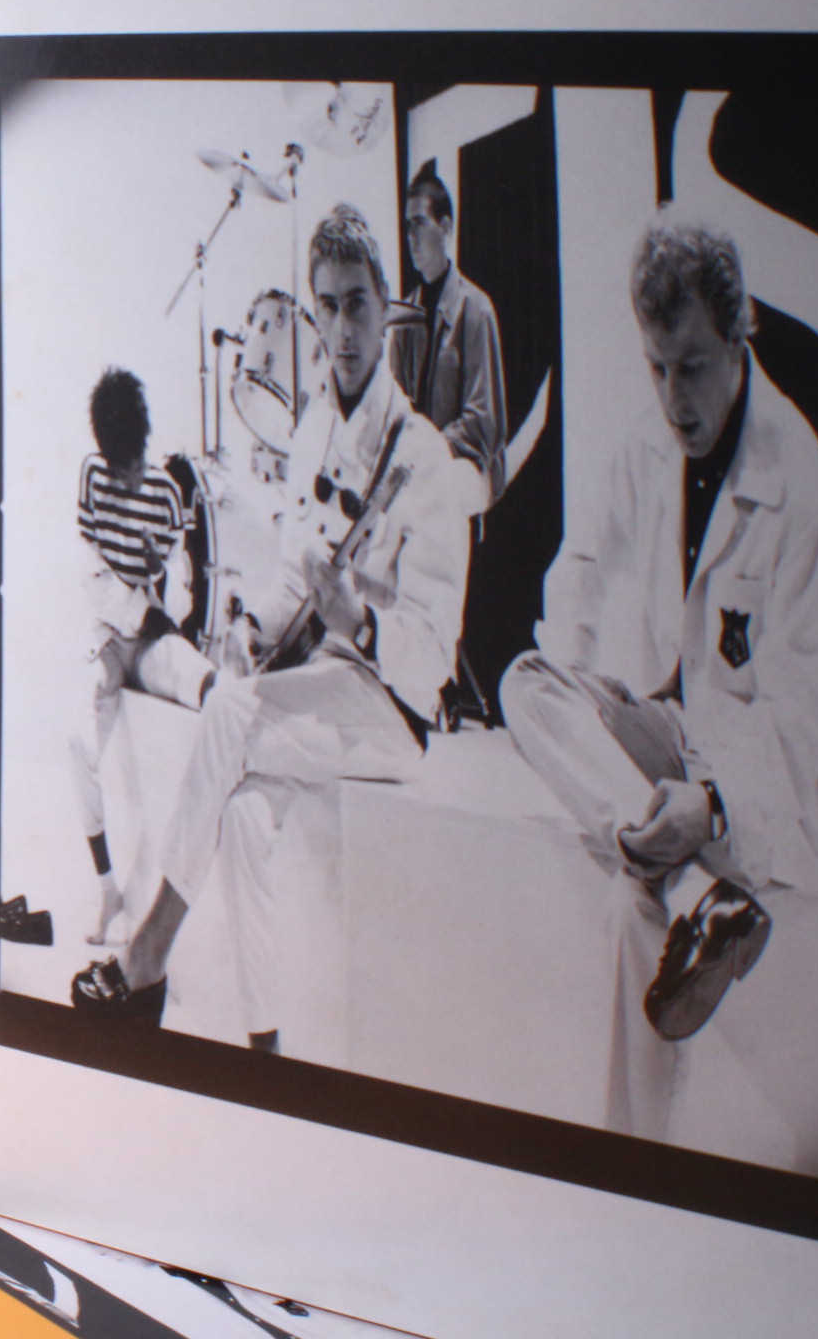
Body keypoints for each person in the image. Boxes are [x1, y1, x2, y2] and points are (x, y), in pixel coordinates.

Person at [71, 205, 471, 1048]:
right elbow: (296, 575)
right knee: (246, 817)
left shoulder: (426, 460)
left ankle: (148, 956)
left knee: (227, 711)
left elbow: (434, 662)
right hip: (321, 689)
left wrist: (362, 624)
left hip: (390, 713)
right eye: (326, 306)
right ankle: (267, 1052)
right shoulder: (315, 427)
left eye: (357, 304)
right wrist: (253, 626)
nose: (342, 328)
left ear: (386, 306)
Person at [501, 210, 818, 1139]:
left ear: (740, 338)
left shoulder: (796, 480)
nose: (672, 398)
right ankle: (699, 897)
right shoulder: (647, 445)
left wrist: (713, 804)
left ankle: (633, 1162)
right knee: (527, 682)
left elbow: (809, 730)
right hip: (673, 751)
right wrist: (587, 722)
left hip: (764, 791)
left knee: (630, 911)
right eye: (656, 368)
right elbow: (579, 570)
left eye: (692, 366)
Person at [65, 367, 215, 948]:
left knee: (195, 675)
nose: (126, 481)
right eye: (117, 469)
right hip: (108, 637)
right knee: (76, 740)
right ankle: (107, 888)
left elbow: (179, 598)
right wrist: (137, 611)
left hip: (151, 637)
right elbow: (88, 571)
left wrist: (158, 573)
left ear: (144, 447)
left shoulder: (165, 493)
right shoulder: (92, 476)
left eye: (132, 468)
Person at [398, 162, 509, 506]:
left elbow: (483, 421)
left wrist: (426, 452)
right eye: (407, 227)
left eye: (419, 224)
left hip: (463, 468)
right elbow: (397, 406)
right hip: (416, 467)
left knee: (439, 489)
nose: (411, 238)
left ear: (445, 227)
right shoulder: (403, 315)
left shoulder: (476, 309)